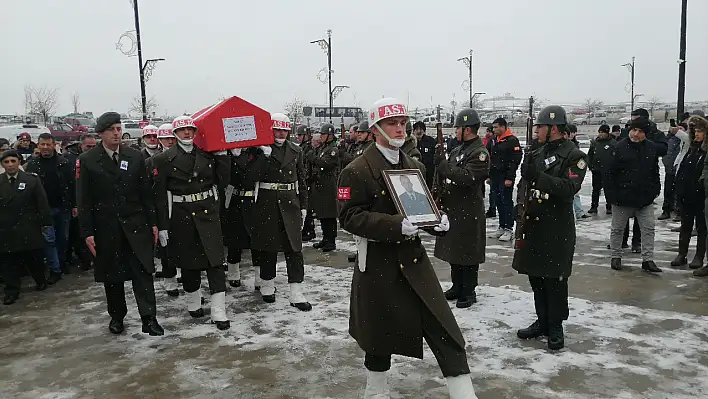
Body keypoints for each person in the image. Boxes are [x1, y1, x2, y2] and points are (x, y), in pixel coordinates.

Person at [338, 98, 477, 398]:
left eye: (403, 122)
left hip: (413, 259)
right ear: (375, 129)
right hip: (378, 261)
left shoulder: (413, 166)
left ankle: (463, 391)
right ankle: (375, 390)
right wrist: (393, 225)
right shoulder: (356, 170)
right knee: (378, 331)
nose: (400, 128)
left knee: (443, 324)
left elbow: (420, 207)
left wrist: (435, 221)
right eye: (392, 123)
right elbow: (349, 215)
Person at [76, 112, 163, 335]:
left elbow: (145, 193)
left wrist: (152, 222)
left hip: (136, 224)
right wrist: (87, 232)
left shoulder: (133, 156)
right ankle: (117, 316)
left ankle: (149, 318)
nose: (116, 133)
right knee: (112, 276)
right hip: (106, 228)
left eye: (118, 128)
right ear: (101, 134)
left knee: (142, 272)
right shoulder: (88, 160)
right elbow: (84, 200)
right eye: (111, 130)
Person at [512, 105, 587, 351]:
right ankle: (542, 321)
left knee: (555, 280)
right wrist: (520, 205)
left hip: (556, 227)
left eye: (540, 127)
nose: (536, 132)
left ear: (553, 128)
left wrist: (539, 177)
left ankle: (555, 325)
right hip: (534, 224)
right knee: (536, 278)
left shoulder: (574, 155)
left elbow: (568, 189)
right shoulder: (538, 151)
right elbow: (525, 183)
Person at [152, 116, 231, 330]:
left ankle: (218, 310)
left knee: (215, 262)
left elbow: (223, 181)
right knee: (189, 264)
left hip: (207, 214)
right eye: (182, 130)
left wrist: (223, 157)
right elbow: (159, 196)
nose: (187, 133)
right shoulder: (164, 159)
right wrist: (163, 226)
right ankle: (193, 302)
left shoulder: (207, 155)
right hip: (181, 216)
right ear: (175, 134)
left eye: (190, 130)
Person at [249, 113, 311, 310]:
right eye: (277, 129)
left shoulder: (296, 150)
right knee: (269, 246)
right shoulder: (259, 150)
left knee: (294, 248)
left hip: (290, 201)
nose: (281, 133)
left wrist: (303, 205)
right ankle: (267, 284)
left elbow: (302, 180)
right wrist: (264, 157)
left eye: (284, 129)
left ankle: (296, 291)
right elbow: (252, 176)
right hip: (267, 202)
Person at [434, 108, 490, 308]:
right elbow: (448, 173)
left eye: (458, 127)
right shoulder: (458, 150)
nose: (456, 131)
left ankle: (469, 290)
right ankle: (457, 285)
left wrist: (444, 166)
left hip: (469, 208)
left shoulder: (479, 152)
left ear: (467, 129)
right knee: (454, 250)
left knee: (468, 251)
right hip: (454, 206)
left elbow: (468, 177)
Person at [605, 117, 663, 273]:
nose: (636, 134)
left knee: (648, 229)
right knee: (618, 229)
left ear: (646, 134)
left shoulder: (651, 148)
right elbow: (609, 174)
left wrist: (654, 190)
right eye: (634, 130)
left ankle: (648, 259)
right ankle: (616, 256)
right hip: (622, 198)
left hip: (644, 198)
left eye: (640, 131)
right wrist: (611, 197)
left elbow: (654, 171)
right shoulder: (618, 147)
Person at [0, 150, 50, 305]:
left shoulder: (31, 180)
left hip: (28, 225)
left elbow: (42, 202)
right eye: (6, 162)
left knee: (34, 257)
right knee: (8, 262)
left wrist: (45, 222)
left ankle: (40, 280)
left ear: (19, 162)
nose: (10, 165)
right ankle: (11, 290)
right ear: (2, 164)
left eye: (13, 161)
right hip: (6, 228)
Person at [25, 133, 76, 281]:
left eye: (48, 144)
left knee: (63, 239)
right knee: (49, 240)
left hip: (62, 206)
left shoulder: (63, 163)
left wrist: (74, 204)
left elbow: (71, 184)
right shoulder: (33, 164)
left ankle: (61, 262)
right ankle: (55, 270)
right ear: (38, 145)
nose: (45, 147)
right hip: (43, 209)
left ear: (54, 145)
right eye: (42, 144)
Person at [672, 115, 707, 270]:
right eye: (695, 131)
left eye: (701, 131)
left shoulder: (705, 152)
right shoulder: (692, 150)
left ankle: (699, 256)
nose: (698, 134)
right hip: (686, 194)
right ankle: (682, 254)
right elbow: (684, 171)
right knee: (685, 226)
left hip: (700, 196)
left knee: (702, 228)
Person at [63, 134, 96, 271]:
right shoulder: (69, 160)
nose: (91, 149)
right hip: (77, 201)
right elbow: (69, 183)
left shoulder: (97, 157)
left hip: (94, 201)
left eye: (94, 147)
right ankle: (84, 259)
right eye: (88, 146)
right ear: (81, 145)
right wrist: (74, 204)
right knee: (79, 232)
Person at [306, 123, 339, 252]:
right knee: (323, 214)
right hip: (321, 185)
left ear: (330, 135)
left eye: (323, 134)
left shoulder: (332, 149)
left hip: (328, 186)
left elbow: (325, 163)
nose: (321, 136)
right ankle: (326, 238)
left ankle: (331, 241)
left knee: (329, 215)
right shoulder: (323, 148)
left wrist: (313, 158)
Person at [488, 117, 522, 241]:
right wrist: (489, 175)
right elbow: (488, 157)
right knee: (497, 201)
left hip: (505, 176)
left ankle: (509, 228)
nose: (494, 129)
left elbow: (515, 160)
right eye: (493, 127)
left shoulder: (512, 140)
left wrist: (509, 177)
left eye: (496, 127)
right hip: (495, 176)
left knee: (506, 201)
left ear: (503, 127)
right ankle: (501, 226)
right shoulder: (493, 140)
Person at [587, 124, 616, 215]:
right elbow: (589, 156)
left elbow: (617, 157)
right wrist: (590, 166)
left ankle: (609, 207)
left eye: (602, 132)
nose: (600, 134)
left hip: (608, 171)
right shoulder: (595, 143)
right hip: (596, 171)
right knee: (596, 190)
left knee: (608, 189)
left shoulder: (613, 143)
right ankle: (594, 207)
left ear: (607, 133)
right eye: (599, 132)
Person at [296, 125, 317, 242]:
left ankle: (309, 230)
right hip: (304, 179)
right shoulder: (303, 148)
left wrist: (307, 178)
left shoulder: (309, 149)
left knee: (307, 207)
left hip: (308, 180)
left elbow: (310, 166)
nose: (298, 137)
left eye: (300, 135)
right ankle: (306, 230)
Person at [413, 121, 436, 189]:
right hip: (414, 174)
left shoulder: (431, 141)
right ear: (413, 131)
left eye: (421, 129)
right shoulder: (410, 142)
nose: (419, 131)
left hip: (428, 175)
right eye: (416, 129)